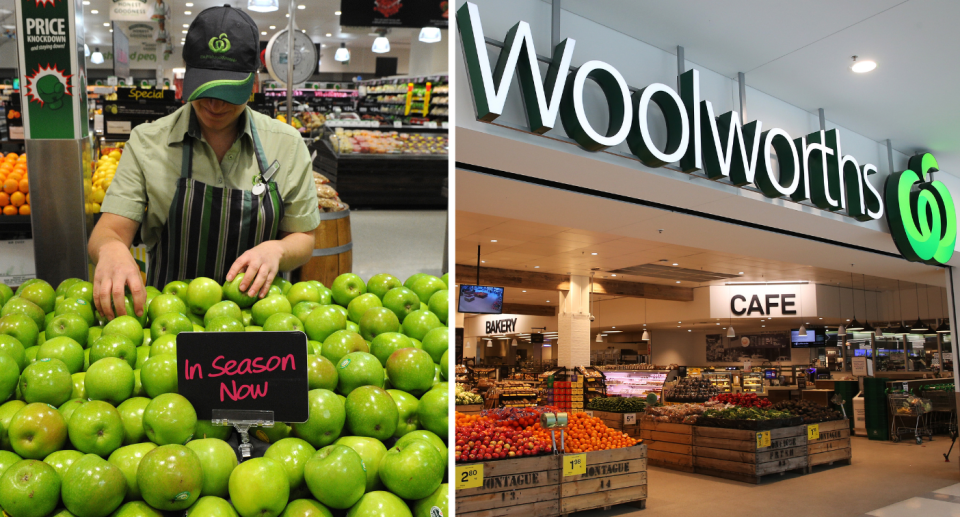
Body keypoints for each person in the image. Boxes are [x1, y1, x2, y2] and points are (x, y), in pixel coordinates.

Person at [89, 5, 321, 320]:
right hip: (169, 321)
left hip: (256, 319)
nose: (213, 103)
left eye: (227, 91)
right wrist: (111, 250)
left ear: (253, 82)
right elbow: (109, 231)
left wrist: (277, 250)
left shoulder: (288, 145)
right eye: (205, 87)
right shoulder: (147, 142)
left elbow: (304, 237)